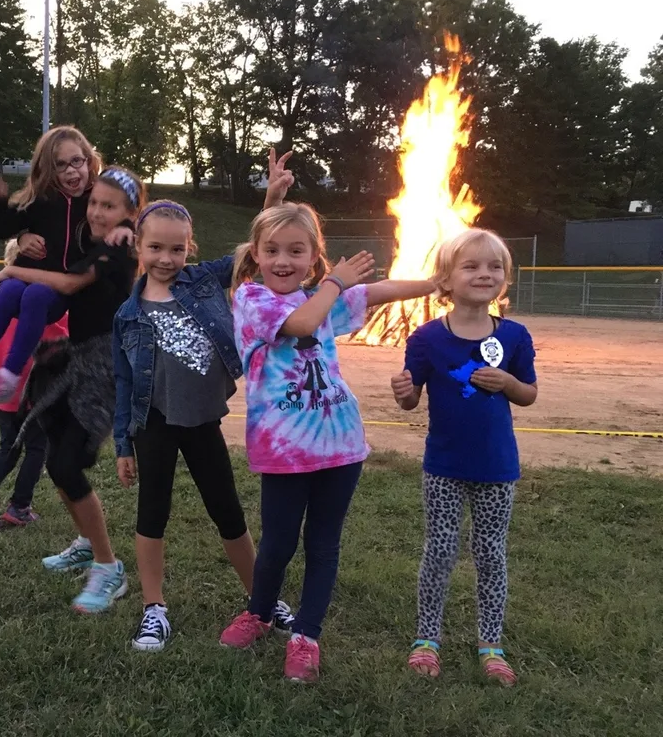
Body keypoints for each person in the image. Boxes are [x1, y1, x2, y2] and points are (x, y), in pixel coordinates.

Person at [218, 202, 433, 683]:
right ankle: (260, 612)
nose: (283, 260)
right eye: (272, 250)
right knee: (276, 543)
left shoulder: (321, 295)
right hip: (283, 453)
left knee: (323, 545)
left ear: (313, 256)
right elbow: (300, 324)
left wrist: (433, 283)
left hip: (340, 448)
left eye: (297, 251)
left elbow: (375, 291)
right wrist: (335, 281)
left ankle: (306, 636)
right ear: (255, 254)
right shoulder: (252, 299)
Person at [111, 151, 299, 652]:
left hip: (201, 423)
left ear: (189, 248)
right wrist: (123, 446)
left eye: (177, 249)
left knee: (228, 513)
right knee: (152, 514)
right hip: (153, 424)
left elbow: (250, 253)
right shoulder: (127, 315)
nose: (166, 259)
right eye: (156, 248)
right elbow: (125, 384)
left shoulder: (200, 280)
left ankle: (261, 600)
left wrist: (272, 199)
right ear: (140, 248)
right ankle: (154, 610)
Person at [0, 166, 145, 614]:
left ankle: (109, 568)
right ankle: (84, 542)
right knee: (55, 447)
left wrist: (13, 269)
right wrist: (22, 237)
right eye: (95, 202)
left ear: (129, 213)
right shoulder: (91, 239)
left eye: (109, 207)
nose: (96, 212)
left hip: (104, 368)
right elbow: (49, 223)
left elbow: (73, 284)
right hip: (74, 356)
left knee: (65, 464)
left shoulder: (118, 249)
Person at [391, 228, 537, 687]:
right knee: (440, 550)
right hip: (444, 467)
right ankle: (427, 639)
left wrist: (508, 385)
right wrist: (404, 392)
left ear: (505, 280)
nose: (484, 274)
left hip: (497, 468)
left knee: (491, 553)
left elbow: (529, 394)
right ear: (446, 280)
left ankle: (491, 644)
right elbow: (411, 400)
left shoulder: (514, 336)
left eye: (494, 267)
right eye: (471, 266)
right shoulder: (427, 338)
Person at [0, 126, 129, 406]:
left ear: (89, 160)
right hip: (28, 278)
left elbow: (125, 208)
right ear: (48, 170)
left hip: (57, 291)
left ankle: (9, 376)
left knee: (35, 294)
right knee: (11, 289)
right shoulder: (42, 199)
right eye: (60, 165)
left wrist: (126, 228)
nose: (71, 172)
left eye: (77, 161)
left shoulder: (95, 201)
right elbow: (2, 228)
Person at [0, 239, 69, 530]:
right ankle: (19, 507)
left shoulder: (4, 306)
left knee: (9, 446)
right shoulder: (44, 308)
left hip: (4, 395)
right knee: (36, 448)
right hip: (33, 396)